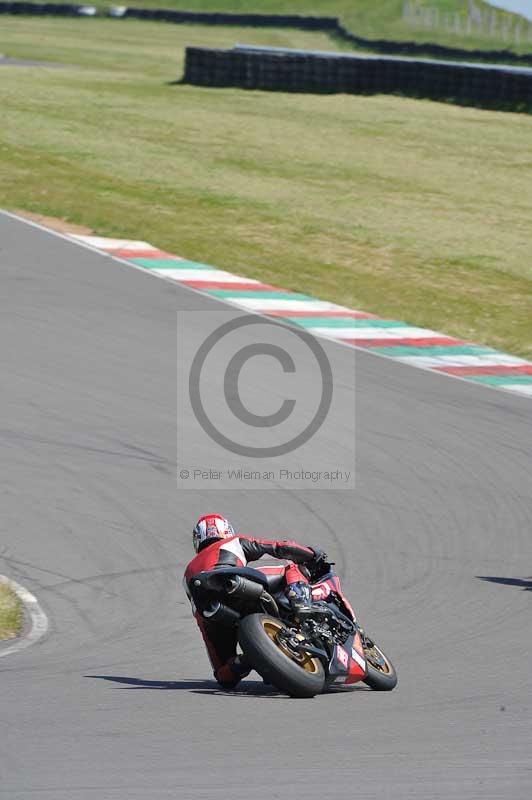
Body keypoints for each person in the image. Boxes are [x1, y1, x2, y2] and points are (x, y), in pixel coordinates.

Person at [183, 513, 328, 689]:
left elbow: (199, 617)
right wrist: (312, 554)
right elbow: (281, 547)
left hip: (213, 616)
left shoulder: (187, 574)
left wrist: (217, 650)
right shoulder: (233, 541)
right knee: (290, 567)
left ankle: (245, 660)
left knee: (224, 676)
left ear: (197, 539)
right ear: (226, 530)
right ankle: (302, 604)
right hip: (237, 583)